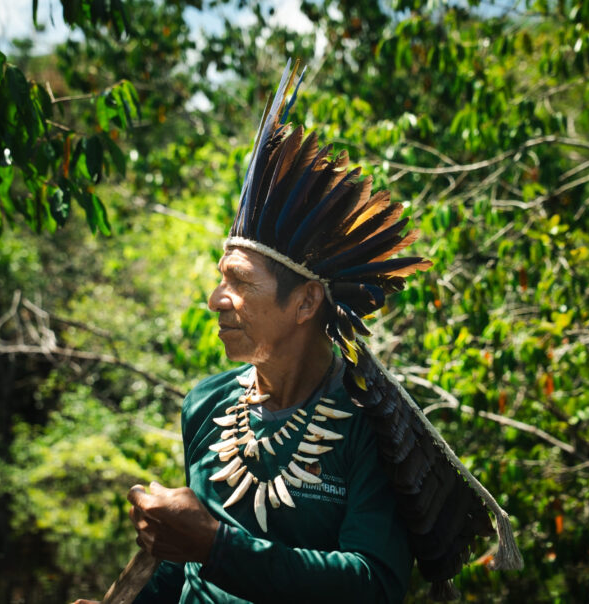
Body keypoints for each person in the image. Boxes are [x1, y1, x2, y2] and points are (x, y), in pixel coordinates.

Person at [73, 60, 520, 604]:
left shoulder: (368, 426)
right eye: (219, 280)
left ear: (306, 301)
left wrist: (217, 545)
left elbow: (375, 585)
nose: (216, 300)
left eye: (237, 282)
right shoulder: (205, 406)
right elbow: (182, 571)